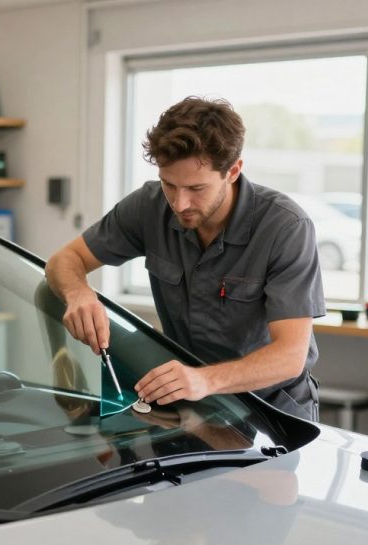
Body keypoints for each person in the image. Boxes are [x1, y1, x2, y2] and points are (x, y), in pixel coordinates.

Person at [45, 96, 325, 420]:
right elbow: (64, 259)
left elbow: (290, 355)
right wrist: (79, 292)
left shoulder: (285, 227)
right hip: (190, 411)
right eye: (169, 184)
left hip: (273, 412)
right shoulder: (148, 207)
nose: (179, 204)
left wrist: (203, 380)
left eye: (196, 188)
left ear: (233, 170)